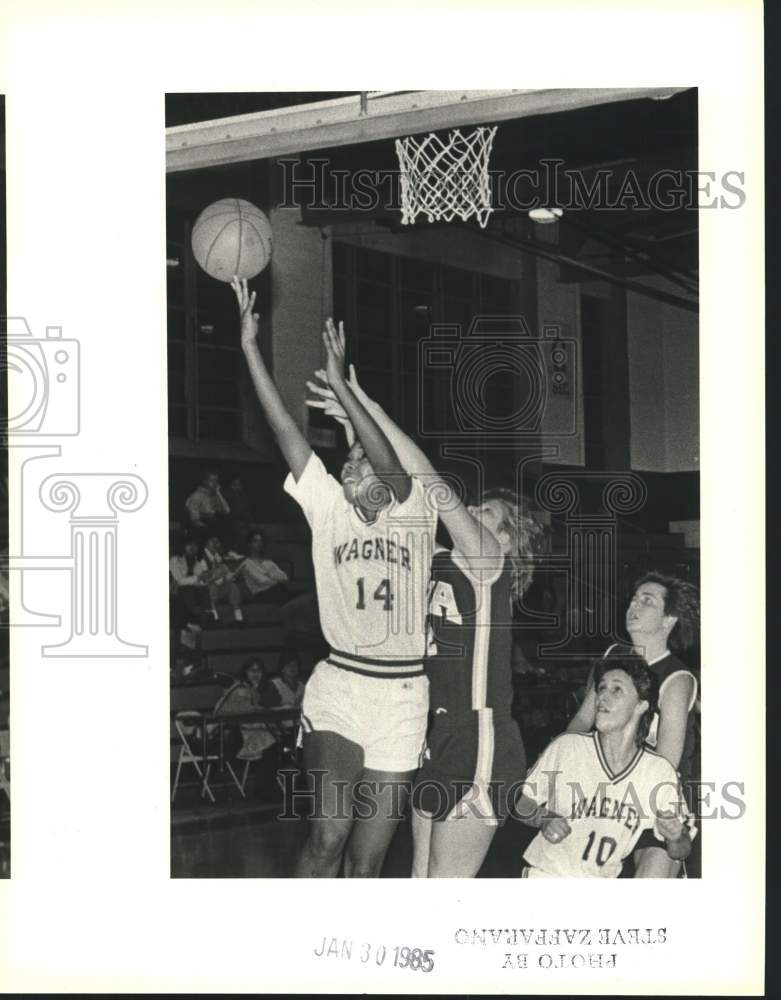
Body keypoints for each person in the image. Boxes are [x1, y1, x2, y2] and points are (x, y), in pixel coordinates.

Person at [233, 278, 437, 878]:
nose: (349, 466)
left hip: (403, 698)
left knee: (367, 860)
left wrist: (348, 392)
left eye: (358, 458)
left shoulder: (413, 511)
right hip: (342, 685)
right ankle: (295, 959)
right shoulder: (329, 510)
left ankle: (348, 964)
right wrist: (250, 347)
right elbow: (285, 435)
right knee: (327, 835)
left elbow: (392, 465)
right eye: (345, 461)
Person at [307, 363, 541, 878]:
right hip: (432, 735)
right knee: (418, 885)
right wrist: (356, 430)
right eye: (475, 508)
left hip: (480, 737)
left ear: (507, 541)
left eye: (488, 516)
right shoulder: (436, 561)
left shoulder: (487, 566)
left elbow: (428, 485)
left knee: (442, 896)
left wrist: (369, 408)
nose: (474, 514)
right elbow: (392, 496)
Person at [518, 654, 694, 878]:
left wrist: (676, 836)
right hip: (548, 876)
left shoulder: (657, 772)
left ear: (641, 705)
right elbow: (522, 805)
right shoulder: (567, 746)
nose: (602, 697)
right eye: (601, 688)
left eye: (616, 690)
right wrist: (544, 818)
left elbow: (680, 851)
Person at [567, 573, 700, 790]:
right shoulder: (613, 654)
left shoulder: (676, 679)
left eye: (647, 600)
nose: (634, 605)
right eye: (634, 599)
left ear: (669, 619)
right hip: (608, 779)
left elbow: (666, 763)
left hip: (656, 793)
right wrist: (561, 753)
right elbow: (583, 719)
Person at [215, 659, 278, 797]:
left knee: (274, 743)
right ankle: (264, 790)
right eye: (252, 670)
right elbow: (233, 712)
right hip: (231, 736)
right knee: (272, 746)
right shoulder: (240, 689)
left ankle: (265, 789)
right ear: (245, 672)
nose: (255, 674)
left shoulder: (254, 689)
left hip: (249, 732)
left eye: (259, 670)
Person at [202, 536, 245, 624]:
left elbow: (225, 574)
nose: (215, 544)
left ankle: (238, 616)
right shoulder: (201, 557)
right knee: (212, 587)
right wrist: (216, 576)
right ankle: (214, 617)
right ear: (206, 543)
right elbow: (204, 579)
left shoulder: (218, 556)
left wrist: (229, 575)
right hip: (204, 587)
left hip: (218, 585)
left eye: (217, 542)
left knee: (232, 585)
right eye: (212, 541)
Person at [239, 531, 290, 604]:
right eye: (256, 541)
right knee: (281, 589)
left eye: (261, 541)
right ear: (249, 544)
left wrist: (268, 575)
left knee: (283, 590)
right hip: (259, 595)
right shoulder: (247, 563)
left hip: (275, 590)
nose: (259, 544)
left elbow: (285, 577)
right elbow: (262, 580)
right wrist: (272, 575)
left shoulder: (268, 562)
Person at [169, 535, 211, 621]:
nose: (192, 548)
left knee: (204, 588)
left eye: (195, 545)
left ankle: (205, 614)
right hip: (176, 590)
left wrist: (206, 578)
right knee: (187, 589)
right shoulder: (175, 560)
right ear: (183, 546)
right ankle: (197, 616)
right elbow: (179, 581)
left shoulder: (198, 562)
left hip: (193, 591)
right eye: (189, 545)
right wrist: (198, 578)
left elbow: (202, 581)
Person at [185, 471, 231, 542]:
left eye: (216, 480)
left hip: (214, 531)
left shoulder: (216, 496)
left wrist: (218, 493)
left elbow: (227, 511)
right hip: (201, 532)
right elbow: (194, 520)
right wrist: (208, 529)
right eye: (212, 480)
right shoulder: (197, 495)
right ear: (205, 482)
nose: (215, 483)